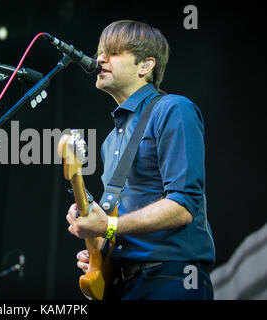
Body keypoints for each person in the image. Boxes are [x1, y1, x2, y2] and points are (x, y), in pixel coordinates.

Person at [65, 20, 215, 300]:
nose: (99, 59)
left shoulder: (173, 109)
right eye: (100, 52)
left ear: (146, 66)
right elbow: (121, 220)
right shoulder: (110, 142)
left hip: (171, 280)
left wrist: (108, 226)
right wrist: (99, 250)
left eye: (113, 52)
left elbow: (184, 205)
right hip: (123, 285)